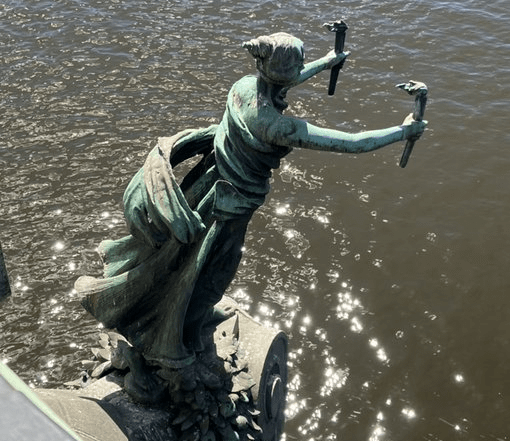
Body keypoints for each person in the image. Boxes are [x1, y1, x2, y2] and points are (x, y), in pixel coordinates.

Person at [76, 32, 426, 381]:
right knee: (212, 274)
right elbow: (353, 143)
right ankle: (177, 339)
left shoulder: (244, 86)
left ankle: (179, 318)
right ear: (286, 71)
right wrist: (404, 131)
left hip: (207, 183)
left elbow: (285, 80)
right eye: (301, 64)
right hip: (230, 208)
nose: (302, 70)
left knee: (184, 260)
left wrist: (329, 60)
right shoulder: (277, 126)